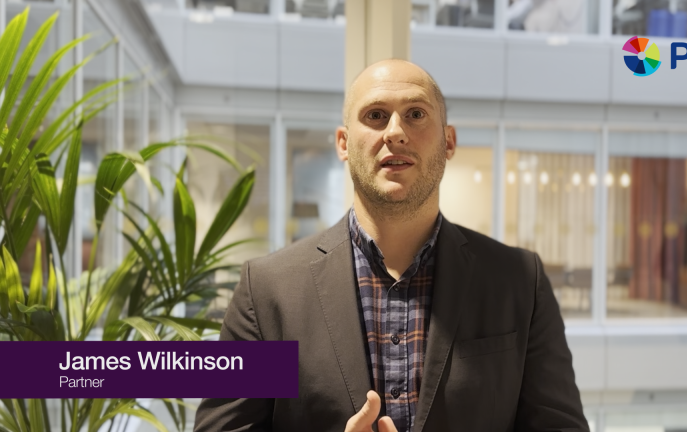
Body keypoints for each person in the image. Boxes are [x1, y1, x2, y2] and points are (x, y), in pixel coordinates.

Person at [194, 59, 588, 432]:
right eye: (375, 115)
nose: (395, 132)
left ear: (448, 142)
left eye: (415, 114)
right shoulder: (269, 293)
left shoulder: (519, 282)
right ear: (343, 143)